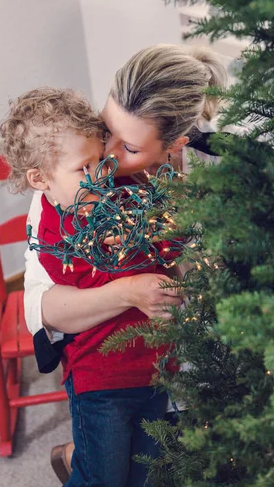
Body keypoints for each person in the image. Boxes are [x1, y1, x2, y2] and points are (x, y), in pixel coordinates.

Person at [23, 44, 228, 484]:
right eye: (106, 128)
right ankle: (86, 456)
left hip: (175, 362)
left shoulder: (209, 175)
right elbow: (43, 307)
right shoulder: (73, 189)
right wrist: (128, 290)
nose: (108, 158)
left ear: (176, 145)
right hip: (112, 369)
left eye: (130, 146)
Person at [0, 87, 183, 487]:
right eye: (85, 168)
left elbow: (169, 245)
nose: (101, 177)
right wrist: (135, 256)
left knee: (144, 474)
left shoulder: (120, 194)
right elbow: (97, 282)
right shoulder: (55, 230)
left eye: (101, 161)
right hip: (101, 381)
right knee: (102, 476)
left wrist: (164, 231)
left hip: (156, 367)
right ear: (40, 178)